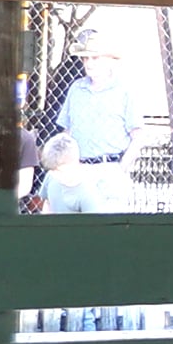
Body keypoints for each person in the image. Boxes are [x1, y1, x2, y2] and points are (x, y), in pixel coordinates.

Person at [35, 24, 138, 213]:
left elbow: (138, 137)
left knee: (109, 227)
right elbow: (67, 133)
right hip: (79, 169)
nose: (89, 63)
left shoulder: (124, 91)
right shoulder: (76, 89)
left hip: (110, 169)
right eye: (85, 58)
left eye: (95, 58)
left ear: (110, 60)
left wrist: (121, 168)